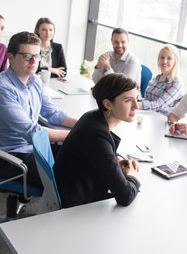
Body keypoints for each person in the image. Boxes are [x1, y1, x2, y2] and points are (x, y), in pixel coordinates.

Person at [0, 32, 77, 189]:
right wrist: (76, 134)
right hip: (10, 157)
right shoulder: (1, 89)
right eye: (26, 56)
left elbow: (53, 114)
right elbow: (33, 132)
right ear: (10, 58)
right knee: (69, 177)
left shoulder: (35, 81)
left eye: (36, 56)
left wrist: (83, 125)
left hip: (33, 147)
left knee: (84, 154)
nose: (34, 61)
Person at [53, 73, 141, 208]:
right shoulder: (97, 135)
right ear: (108, 104)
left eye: (137, 98)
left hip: (74, 191)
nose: (136, 106)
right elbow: (125, 196)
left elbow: (98, 156)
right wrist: (132, 176)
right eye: (128, 100)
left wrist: (115, 162)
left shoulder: (92, 117)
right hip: (77, 206)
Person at [137, 44, 183, 116]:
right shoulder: (156, 78)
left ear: (175, 62)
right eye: (162, 57)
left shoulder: (176, 83)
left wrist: (137, 105)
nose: (164, 61)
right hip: (147, 114)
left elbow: (159, 104)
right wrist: (135, 101)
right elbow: (147, 99)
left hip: (161, 119)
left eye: (169, 58)